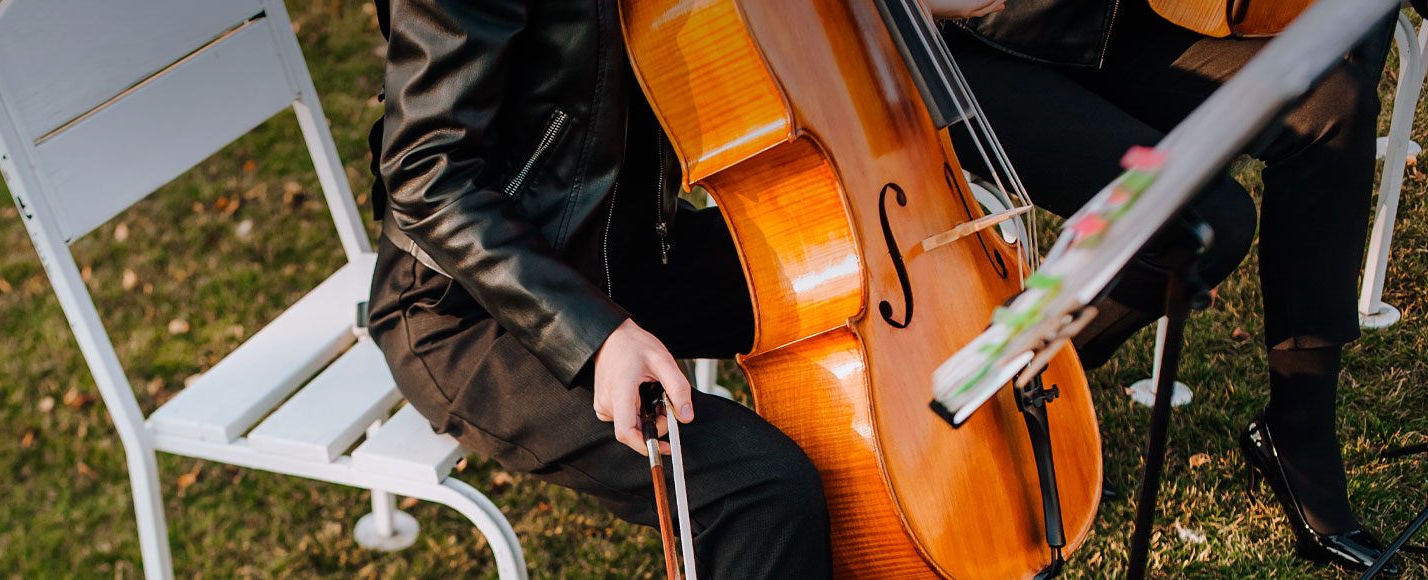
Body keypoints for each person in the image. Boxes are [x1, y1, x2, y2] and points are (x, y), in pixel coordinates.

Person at [361, 0, 1011, 575]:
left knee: (867, 274)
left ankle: (956, 518)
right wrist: (596, 336)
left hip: (637, 246)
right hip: (473, 310)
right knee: (761, 489)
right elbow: (426, 177)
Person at [947, 0, 1401, 573]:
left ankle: (1299, 438)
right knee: (1206, 223)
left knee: (1332, 105)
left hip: (1108, 20)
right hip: (972, 45)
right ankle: (1009, 391)